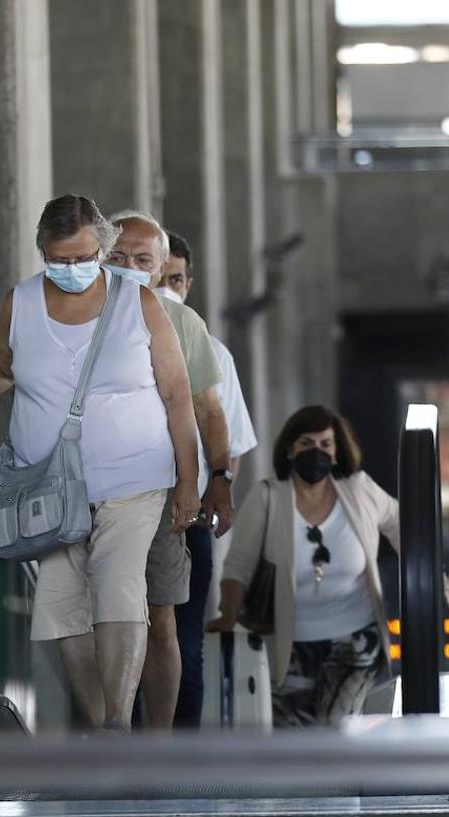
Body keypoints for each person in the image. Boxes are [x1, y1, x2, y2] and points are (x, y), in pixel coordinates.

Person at [0, 195, 199, 732]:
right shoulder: (20, 303)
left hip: (133, 481)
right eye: (58, 259)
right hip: (47, 486)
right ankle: (101, 729)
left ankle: (118, 722)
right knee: (63, 609)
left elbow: (178, 394)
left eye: (83, 257)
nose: (70, 269)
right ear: (42, 250)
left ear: (103, 249)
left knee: (119, 589)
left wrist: (190, 481)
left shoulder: (141, 304)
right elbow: (2, 364)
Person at [106, 210, 233, 730]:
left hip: (162, 496)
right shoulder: (67, 312)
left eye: (142, 260)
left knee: (161, 622)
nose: (129, 268)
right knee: (99, 624)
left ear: (161, 269)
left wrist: (216, 480)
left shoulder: (182, 324)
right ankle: (106, 735)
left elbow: (207, 410)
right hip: (89, 492)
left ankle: (156, 746)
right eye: (117, 258)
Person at [209, 406, 400, 728]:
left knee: (336, 725)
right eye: (307, 443)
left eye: (326, 444)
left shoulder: (360, 490)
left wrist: (432, 576)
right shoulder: (267, 497)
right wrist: (228, 614)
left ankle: (345, 779)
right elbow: (239, 564)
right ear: (290, 449)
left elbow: (401, 524)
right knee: (292, 737)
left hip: (355, 642)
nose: (317, 452)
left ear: (337, 452)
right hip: (290, 644)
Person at [158, 229, 258, 728]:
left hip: (189, 519)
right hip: (122, 513)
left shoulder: (213, 353)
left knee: (185, 644)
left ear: (189, 284)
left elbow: (230, 444)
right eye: (157, 277)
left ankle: (181, 764)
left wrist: (212, 495)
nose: (166, 288)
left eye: (175, 279)